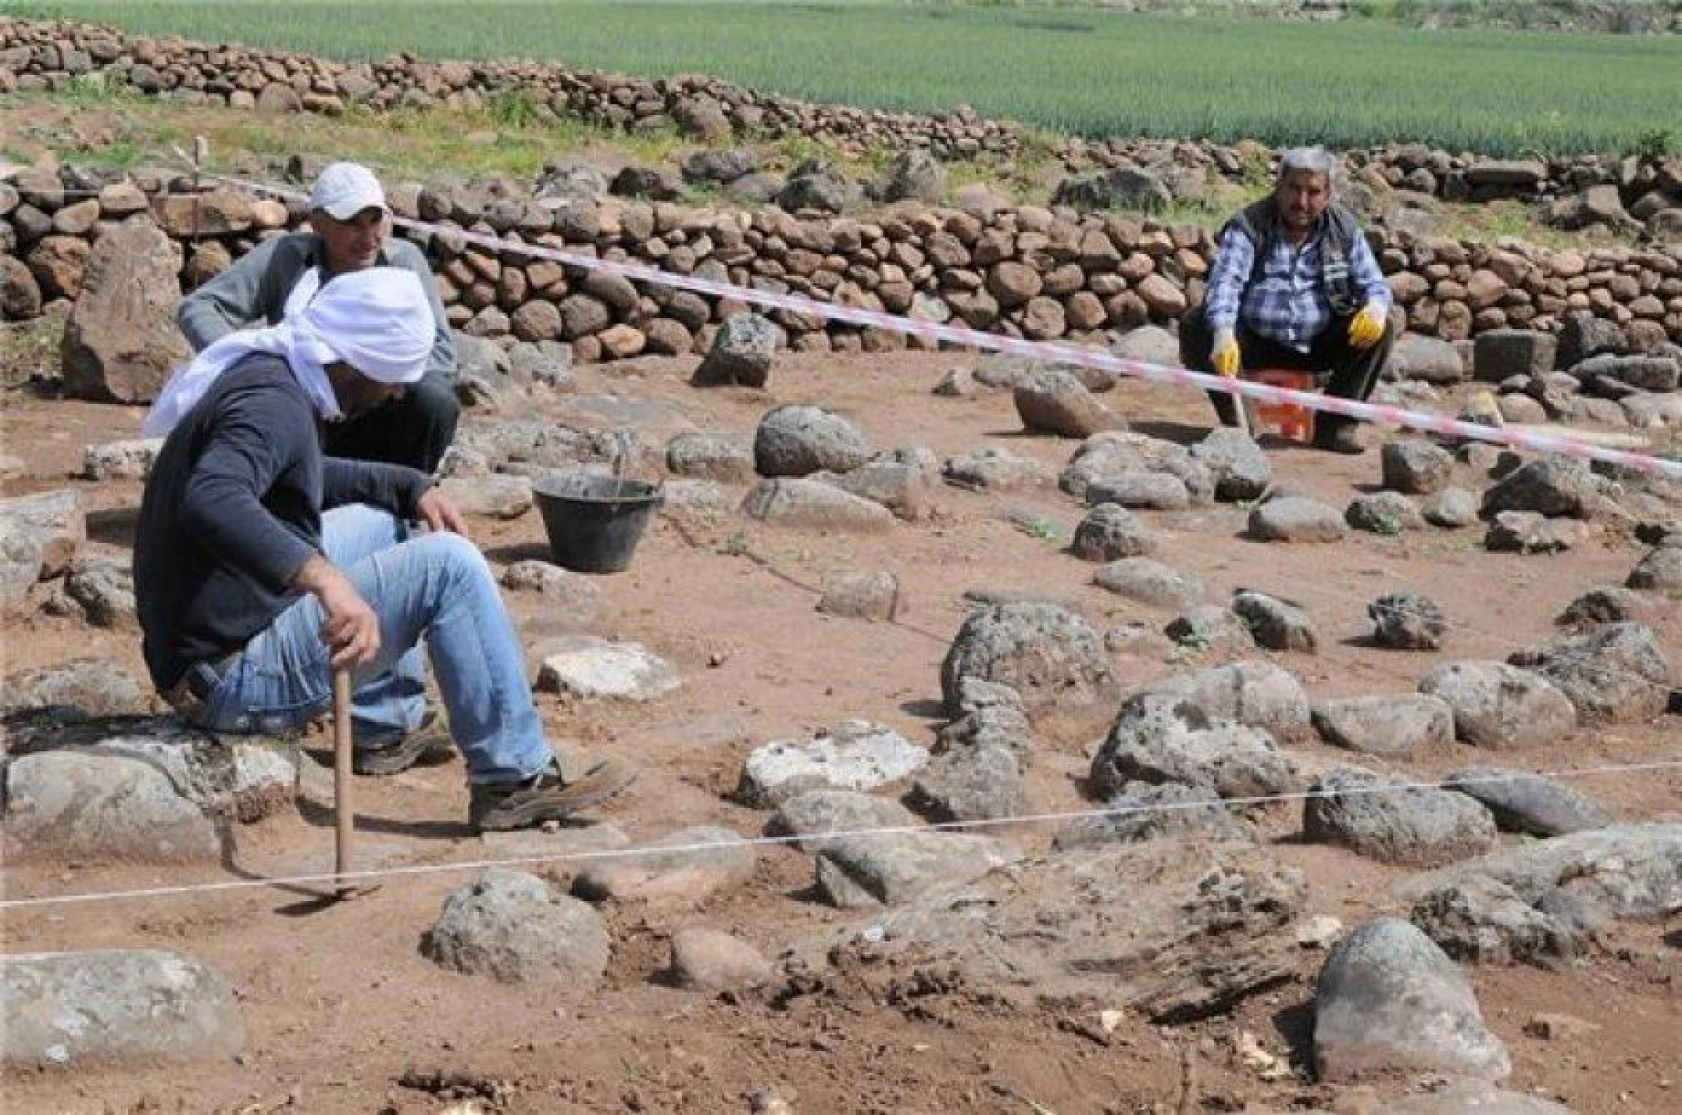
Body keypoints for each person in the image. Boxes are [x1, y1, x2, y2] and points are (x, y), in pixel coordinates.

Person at [136, 268, 634, 831]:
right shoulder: (270, 404)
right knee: (450, 564)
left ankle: (381, 727)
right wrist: (324, 578)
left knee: (385, 519)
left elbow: (295, 474)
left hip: (217, 640)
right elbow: (213, 497)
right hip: (230, 676)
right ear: (354, 361)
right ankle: (512, 780)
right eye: (392, 378)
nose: (396, 393)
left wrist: (405, 485)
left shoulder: (277, 372)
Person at [176, 161, 460, 475]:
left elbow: (442, 356)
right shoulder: (284, 257)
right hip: (301, 410)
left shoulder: (403, 263)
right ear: (318, 223)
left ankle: (403, 492)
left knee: (434, 399)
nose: (367, 236)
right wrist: (253, 362)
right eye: (352, 223)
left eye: (375, 220)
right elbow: (200, 307)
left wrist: (373, 372)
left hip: (374, 411)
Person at [1179, 146, 1395, 454]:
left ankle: (1335, 428)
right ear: (1278, 186)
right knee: (1197, 325)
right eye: (1294, 188)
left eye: (1314, 191)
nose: (1302, 201)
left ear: (1328, 194)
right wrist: (1224, 332)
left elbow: (1373, 282)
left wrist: (1375, 306)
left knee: (1382, 329)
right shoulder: (1249, 225)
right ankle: (1243, 426)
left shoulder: (1344, 229)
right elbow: (1226, 282)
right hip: (1254, 341)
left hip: (1318, 341)